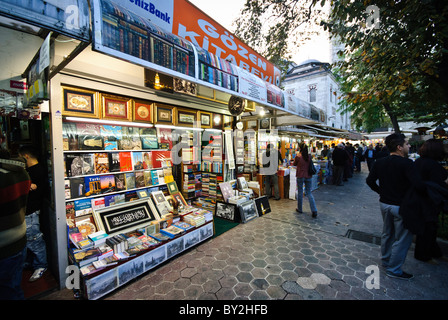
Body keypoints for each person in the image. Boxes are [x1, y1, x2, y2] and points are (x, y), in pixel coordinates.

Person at [366, 133, 420, 280]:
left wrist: (380, 192)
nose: (409, 146)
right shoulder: (407, 164)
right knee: (402, 238)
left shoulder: (380, 162)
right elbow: (418, 185)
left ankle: (386, 260)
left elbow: (370, 181)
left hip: (384, 204)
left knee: (387, 233)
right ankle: (394, 269)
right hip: (401, 206)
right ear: (399, 147)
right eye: (407, 144)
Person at [404, 139, 448, 263]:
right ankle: (424, 254)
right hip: (428, 200)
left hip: (418, 199)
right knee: (428, 228)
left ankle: (434, 252)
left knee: (429, 227)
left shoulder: (418, 162)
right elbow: (439, 184)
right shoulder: (433, 166)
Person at [0, 148, 31, 299]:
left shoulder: (5, 175)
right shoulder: (21, 172)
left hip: (5, 244)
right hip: (19, 236)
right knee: (13, 287)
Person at [18, 146, 48, 282]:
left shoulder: (38, 171)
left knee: (34, 239)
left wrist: (33, 187)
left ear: (26, 156)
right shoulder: (27, 170)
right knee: (29, 239)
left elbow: (42, 189)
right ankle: (31, 263)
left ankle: (41, 265)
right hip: (27, 210)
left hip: (32, 210)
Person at [293, 143, 318, 218]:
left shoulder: (298, 156)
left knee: (300, 192)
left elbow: (294, 164)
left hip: (300, 175)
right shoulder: (309, 156)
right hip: (308, 176)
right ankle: (314, 210)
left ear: (300, 148)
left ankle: (300, 209)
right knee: (309, 193)